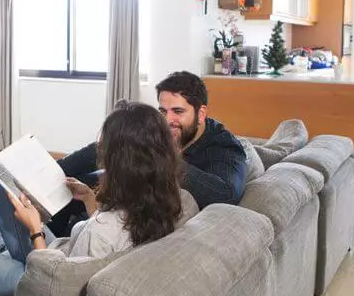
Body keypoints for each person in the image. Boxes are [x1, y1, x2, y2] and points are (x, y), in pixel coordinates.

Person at [0, 102, 198, 296]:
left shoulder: (102, 233)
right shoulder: (171, 201)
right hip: (58, 255)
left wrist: (35, 230)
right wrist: (91, 199)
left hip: (33, 280)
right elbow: (103, 240)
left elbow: (54, 291)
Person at [47, 70, 246, 237]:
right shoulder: (160, 128)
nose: (168, 121)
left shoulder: (224, 147)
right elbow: (105, 148)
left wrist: (163, 157)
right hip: (128, 194)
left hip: (145, 215)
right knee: (68, 183)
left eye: (178, 112)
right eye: (162, 111)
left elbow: (226, 195)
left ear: (201, 114)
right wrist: (53, 168)